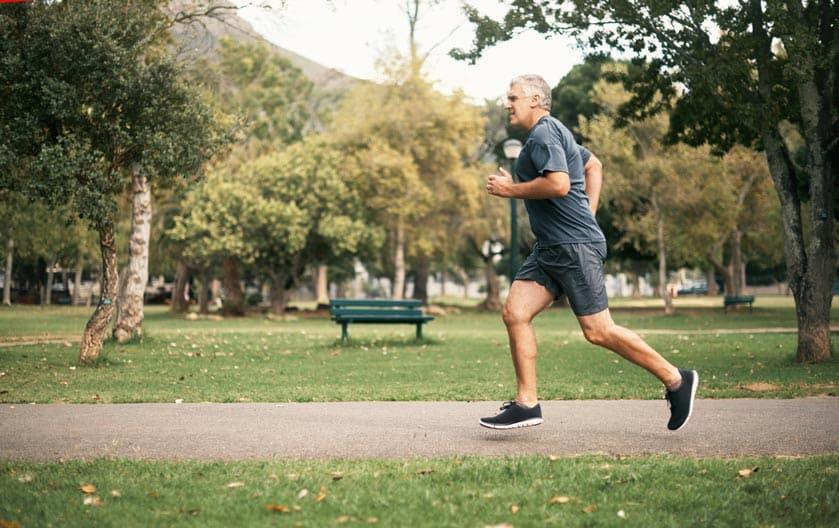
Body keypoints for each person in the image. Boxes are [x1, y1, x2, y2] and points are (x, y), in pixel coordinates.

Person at [481, 74, 698, 431]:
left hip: (573, 247)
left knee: (598, 330)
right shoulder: (550, 134)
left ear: (536, 100)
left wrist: (511, 189)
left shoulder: (545, 132)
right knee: (515, 313)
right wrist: (588, 213)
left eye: (513, 97)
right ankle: (527, 404)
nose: (507, 104)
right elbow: (592, 164)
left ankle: (677, 380)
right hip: (552, 247)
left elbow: (559, 183)